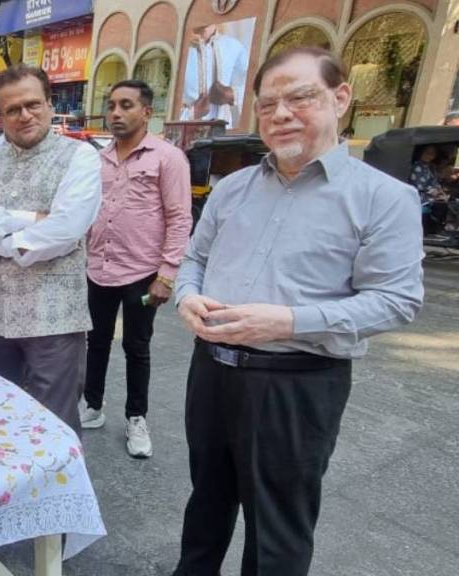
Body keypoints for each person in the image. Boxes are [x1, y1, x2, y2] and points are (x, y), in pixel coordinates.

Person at [172, 47, 423, 575]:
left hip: (298, 382)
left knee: (278, 528)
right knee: (207, 503)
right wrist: (186, 296)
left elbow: (397, 300)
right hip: (212, 371)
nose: (281, 114)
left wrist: (288, 321)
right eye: (267, 105)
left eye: (300, 97)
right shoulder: (231, 188)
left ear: (340, 98)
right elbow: (194, 259)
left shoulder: (383, 198)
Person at [0, 65, 102, 434]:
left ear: (50, 105)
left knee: (54, 423)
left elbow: (66, 229)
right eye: (12, 109)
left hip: (55, 317)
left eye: (33, 104)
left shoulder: (80, 157)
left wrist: (0, 243)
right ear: (0, 116)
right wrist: (27, 217)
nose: (25, 115)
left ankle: (61, 494)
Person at [81, 80, 192, 459]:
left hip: (143, 272)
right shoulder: (98, 159)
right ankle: (92, 405)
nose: (115, 113)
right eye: (111, 105)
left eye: (125, 105)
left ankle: (136, 417)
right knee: (94, 342)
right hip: (98, 268)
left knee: (136, 346)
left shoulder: (167, 157)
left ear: (146, 111)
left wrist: (167, 274)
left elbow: (180, 219)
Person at [180, 23, 249, 128]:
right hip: (185, 133)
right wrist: (192, 114)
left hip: (223, 132)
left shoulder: (234, 46)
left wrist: (232, 95)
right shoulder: (177, 48)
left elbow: (253, 88)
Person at [410, 144, 449, 235]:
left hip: (430, 194)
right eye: (427, 152)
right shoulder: (417, 167)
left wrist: (440, 191)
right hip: (421, 196)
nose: (429, 155)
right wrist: (435, 192)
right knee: (442, 204)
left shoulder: (429, 167)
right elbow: (419, 186)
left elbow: (434, 182)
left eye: (432, 153)